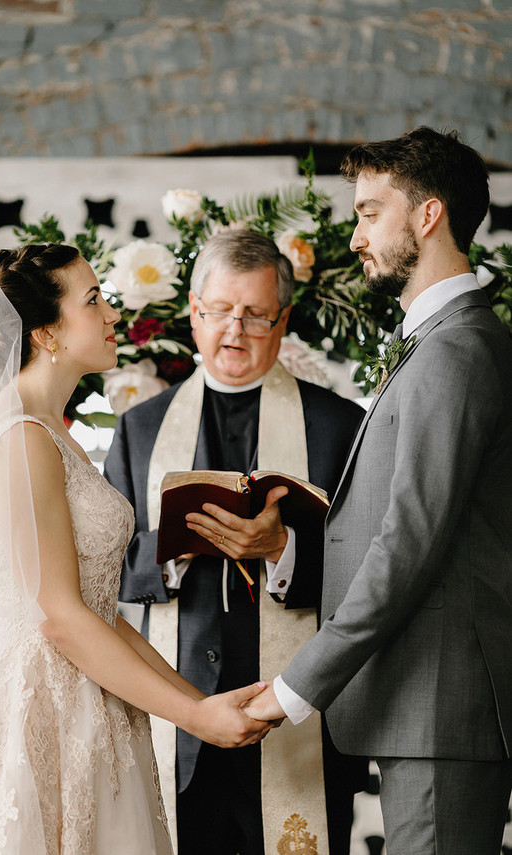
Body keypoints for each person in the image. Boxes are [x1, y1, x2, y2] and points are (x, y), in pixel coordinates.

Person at [0, 245, 272, 854]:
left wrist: (200, 704)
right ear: (46, 333)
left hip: (95, 697)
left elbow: (101, 613)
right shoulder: (21, 438)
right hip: (43, 707)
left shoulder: (50, 430)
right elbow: (61, 619)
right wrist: (195, 719)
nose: (113, 314)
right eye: (93, 301)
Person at [245, 127, 512, 855]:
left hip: (442, 710)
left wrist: (294, 686)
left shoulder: (456, 350)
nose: (355, 233)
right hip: (422, 706)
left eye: (369, 212)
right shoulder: (440, 342)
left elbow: (408, 542)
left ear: (428, 216)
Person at [104, 230, 366, 855]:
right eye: (220, 310)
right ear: (194, 312)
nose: (235, 330)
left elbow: (374, 574)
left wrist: (283, 550)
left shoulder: (340, 426)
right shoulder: (140, 429)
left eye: (255, 314)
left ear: (284, 320)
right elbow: (99, 569)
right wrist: (172, 550)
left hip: (300, 717)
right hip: (178, 717)